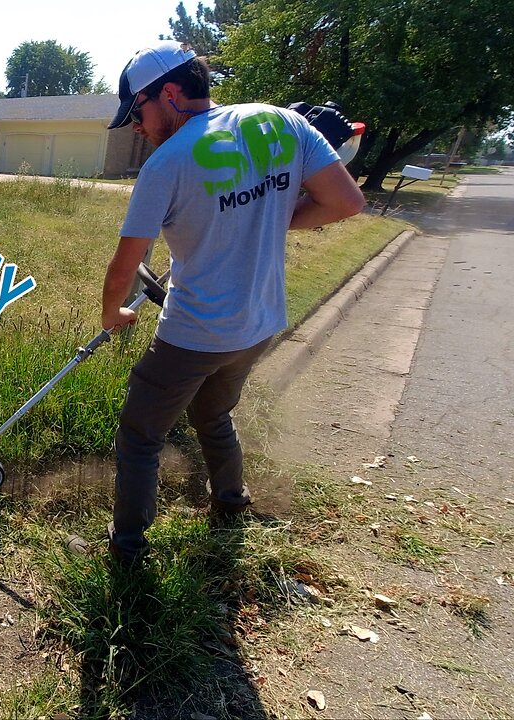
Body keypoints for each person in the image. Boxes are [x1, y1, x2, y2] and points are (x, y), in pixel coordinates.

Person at [99, 41, 365, 563]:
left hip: (195, 333)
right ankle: (230, 502)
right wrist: (271, 218)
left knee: (140, 434)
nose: (136, 125)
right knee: (214, 413)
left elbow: (126, 265)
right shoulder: (282, 122)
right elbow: (345, 201)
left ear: (170, 93)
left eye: (137, 111)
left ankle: (126, 550)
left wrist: (114, 315)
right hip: (260, 324)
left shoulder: (166, 163)